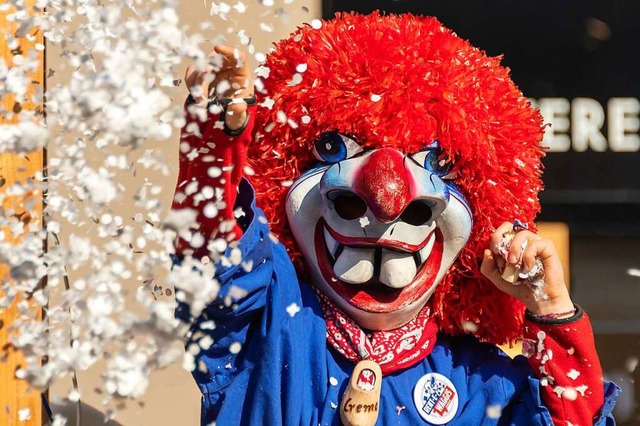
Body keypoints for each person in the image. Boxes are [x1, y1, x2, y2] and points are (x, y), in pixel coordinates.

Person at [171, 12, 619, 425]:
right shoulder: (266, 325)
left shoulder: (480, 387)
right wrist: (218, 142)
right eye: (332, 150)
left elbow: (569, 417)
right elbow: (216, 254)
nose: (387, 198)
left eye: (437, 163)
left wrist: (550, 308)